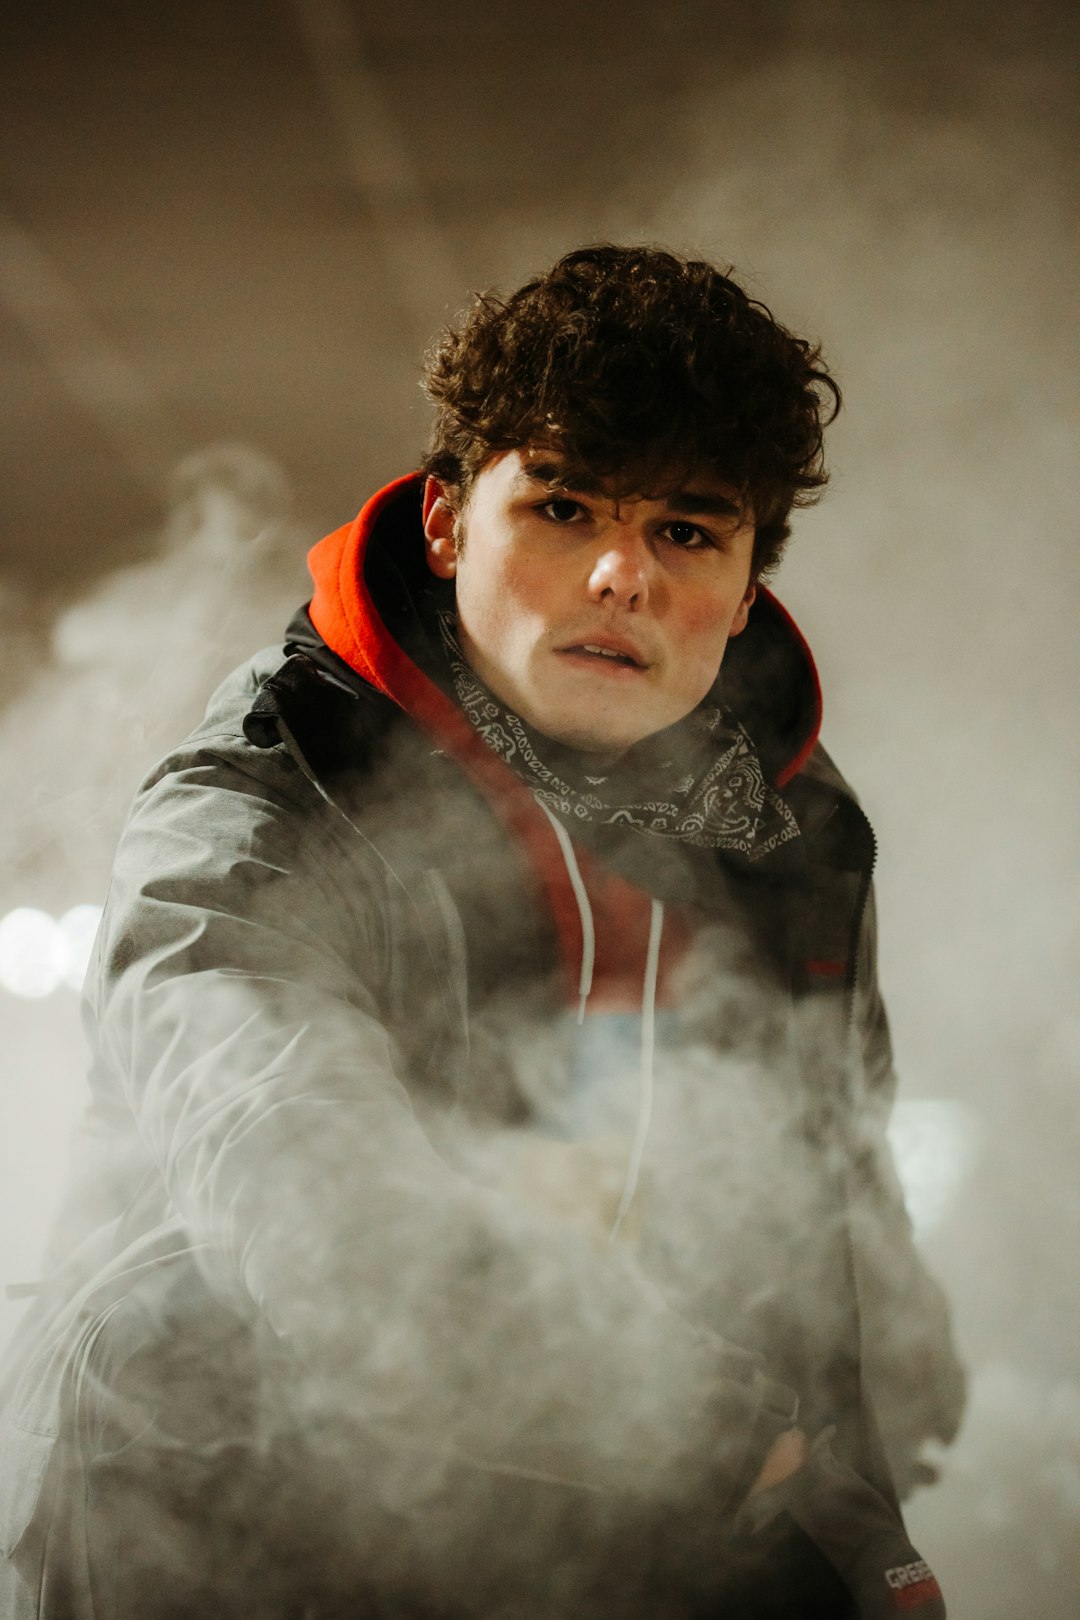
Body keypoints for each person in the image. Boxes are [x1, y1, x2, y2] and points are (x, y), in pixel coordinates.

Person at [0, 246, 964, 1619]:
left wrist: (855, 1530)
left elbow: (810, 1235)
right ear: (451, 527)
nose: (623, 573)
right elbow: (319, 1214)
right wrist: (712, 1435)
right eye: (565, 508)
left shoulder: (790, 832)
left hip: (598, 1535)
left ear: (747, 589)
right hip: (213, 1524)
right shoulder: (268, 795)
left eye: (689, 531)